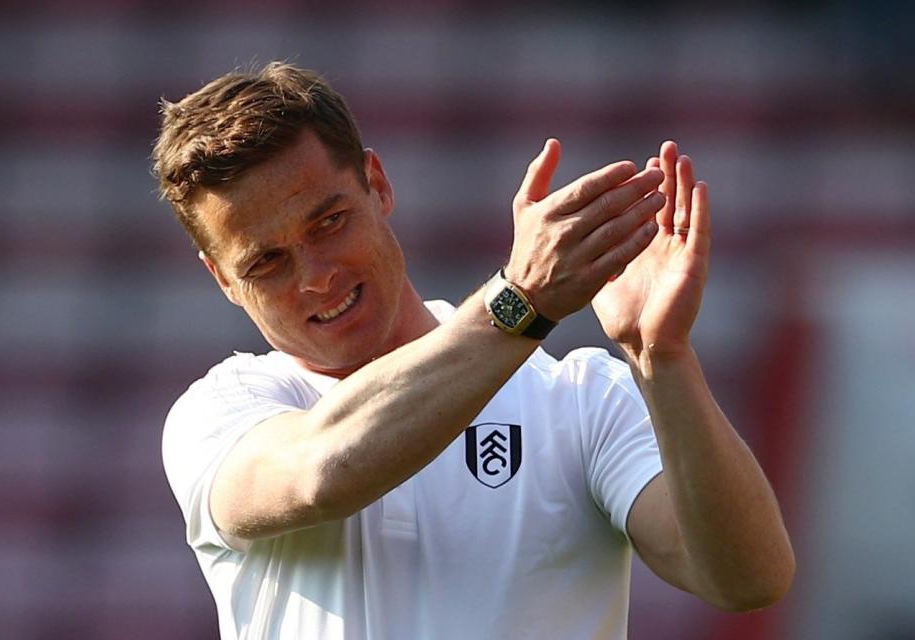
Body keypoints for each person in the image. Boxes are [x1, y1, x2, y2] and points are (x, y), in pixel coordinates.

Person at [153, 62, 794, 640]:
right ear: (223, 279)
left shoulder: (579, 397)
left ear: (377, 185)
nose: (316, 275)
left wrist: (664, 357)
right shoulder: (223, 411)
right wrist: (522, 300)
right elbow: (322, 474)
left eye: (329, 222)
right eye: (266, 262)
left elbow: (746, 580)